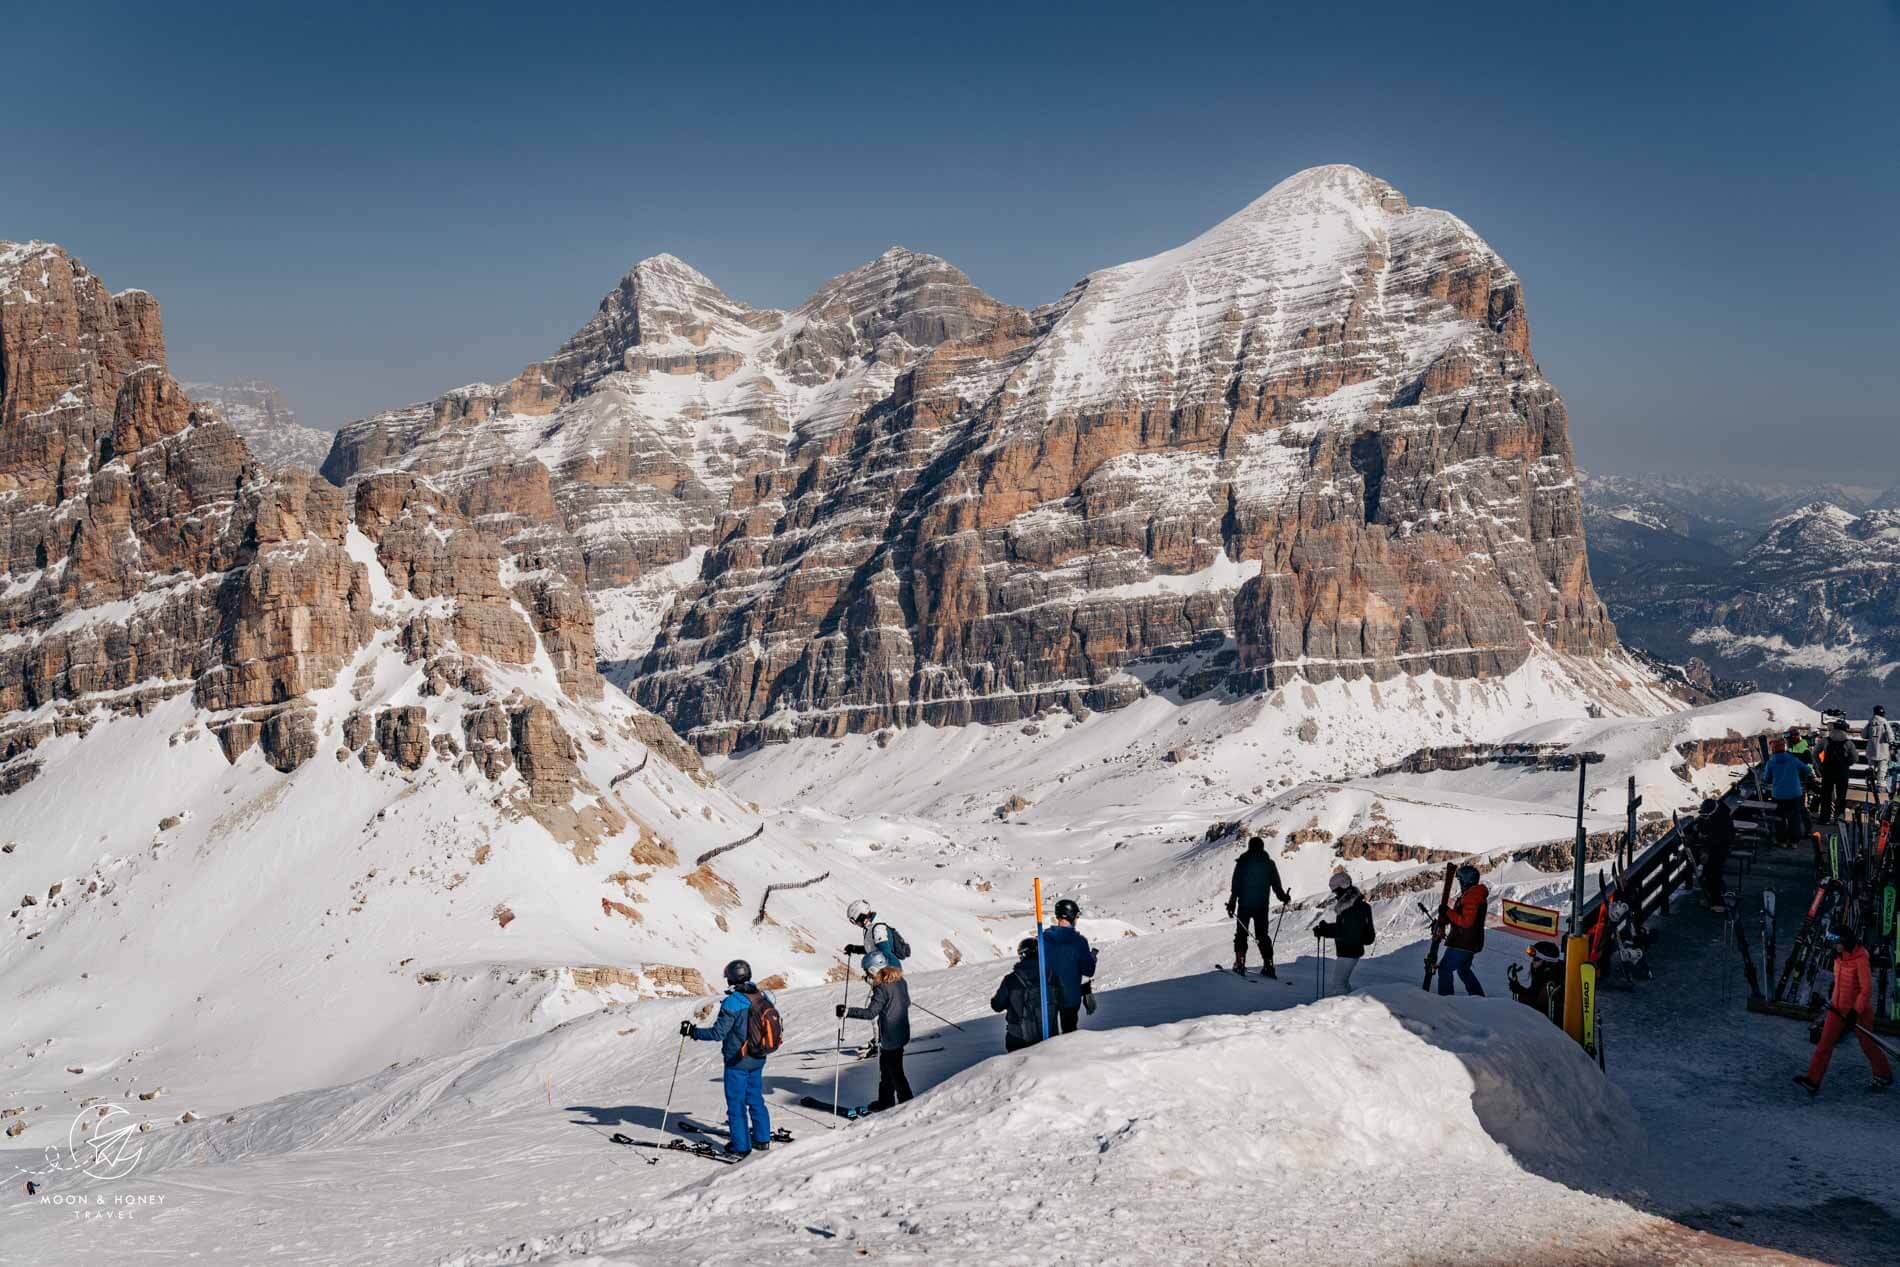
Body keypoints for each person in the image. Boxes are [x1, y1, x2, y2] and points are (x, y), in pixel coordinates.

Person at [683, 959, 778, 1157]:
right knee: (754, 1098)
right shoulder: (761, 996)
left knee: (736, 1103)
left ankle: (741, 1146)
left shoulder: (733, 1001)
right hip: (758, 1056)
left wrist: (693, 1032)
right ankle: (762, 1139)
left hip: (738, 1060)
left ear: (732, 978)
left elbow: (718, 1033)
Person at [1794, 927, 1893, 1095]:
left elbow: (1866, 989)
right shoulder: (1839, 957)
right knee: (1824, 1043)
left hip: (1859, 1011)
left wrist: (1855, 1012)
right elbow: (1839, 984)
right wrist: (1828, 1001)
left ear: (1846, 942)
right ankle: (1813, 1080)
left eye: (1837, 943)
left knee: (1867, 1044)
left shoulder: (1861, 958)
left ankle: (1883, 1074)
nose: (1835, 946)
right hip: (1837, 1008)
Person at [840, 952, 912, 1110]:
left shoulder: (881, 988)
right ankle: (886, 1101)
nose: (866, 974)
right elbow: (906, 1002)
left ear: (873, 970)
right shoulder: (900, 981)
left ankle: (906, 1103)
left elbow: (870, 1013)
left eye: (867, 971)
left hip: (890, 1036)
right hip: (901, 1032)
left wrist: (847, 1012)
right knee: (887, 1069)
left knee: (894, 1072)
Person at [1227, 835, 1292, 976]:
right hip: (1261, 906)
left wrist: (1232, 903)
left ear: (1250, 847)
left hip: (1244, 904)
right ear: (1262, 848)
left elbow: (1236, 885)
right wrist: (1283, 897)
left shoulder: (1242, 862)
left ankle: (1240, 963)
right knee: (1262, 935)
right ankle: (1269, 966)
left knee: (1241, 934)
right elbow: (1276, 885)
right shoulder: (1269, 864)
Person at [1040, 897, 1097, 1034]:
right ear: (1072, 916)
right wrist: (1092, 958)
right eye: (1077, 916)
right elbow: (1088, 971)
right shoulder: (1079, 942)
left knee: (1048, 1038)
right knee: (1069, 1034)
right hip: (1070, 998)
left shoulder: (1043, 938)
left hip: (1046, 997)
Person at [1312, 871, 1375, 994]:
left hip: (1349, 951)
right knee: (1343, 983)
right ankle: (1348, 1006)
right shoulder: (1352, 905)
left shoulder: (1352, 908)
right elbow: (1346, 927)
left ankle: (1343, 1010)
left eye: (1336, 890)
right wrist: (1326, 928)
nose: (1335, 894)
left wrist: (1324, 931)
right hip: (1350, 950)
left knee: (1338, 985)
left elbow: (1346, 931)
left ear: (1343, 887)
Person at [1436, 864, 1488, 996]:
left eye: (1460, 880)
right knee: (1463, 970)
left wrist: (1447, 911)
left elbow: (1466, 921)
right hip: (1469, 942)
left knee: (1444, 969)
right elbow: (1460, 917)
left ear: (1466, 880)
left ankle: (1446, 999)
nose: (1459, 883)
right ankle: (1479, 998)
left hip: (1463, 942)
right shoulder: (1471, 895)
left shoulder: (1472, 896)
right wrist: (1446, 917)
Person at [990, 937, 1044, 1052]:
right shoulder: (1049, 976)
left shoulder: (1011, 980)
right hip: (1047, 1034)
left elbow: (997, 1005)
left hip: (1018, 1038)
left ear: (1023, 955)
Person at [843, 899, 911, 976]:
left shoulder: (878, 929)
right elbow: (875, 951)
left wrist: (896, 977)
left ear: (861, 917)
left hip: (888, 975)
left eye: (854, 921)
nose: (856, 924)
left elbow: (886, 953)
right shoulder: (870, 928)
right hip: (881, 975)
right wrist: (855, 949)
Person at [1763, 738, 1812, 844]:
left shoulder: (1771, 762)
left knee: (1779, 818)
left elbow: (1766, 779)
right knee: (1794, 818)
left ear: (1773, 749)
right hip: (1795, 794)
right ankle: (1794, 841)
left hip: (1778, 795)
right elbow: (1807, 770)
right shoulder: (1793, 759)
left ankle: (1782, 841)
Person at [1507, 940, 1565, 1023]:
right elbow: (1533, 995)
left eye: (1537, 959)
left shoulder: (1554, 983)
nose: (1533, 961)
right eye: (1533, 958)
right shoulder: (1540, 973)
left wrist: (1521, 994)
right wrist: (1519, 989)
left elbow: (1539, 1013)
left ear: (1547, 963)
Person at [1695, 797, 1737, 910]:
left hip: (1721, 848)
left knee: (1713, 871)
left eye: (1706, 815)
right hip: (1711, 848)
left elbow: (1723, 838)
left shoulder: (1723, 819)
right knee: (1708, 873)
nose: (1705, 817)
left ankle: (1717, 902)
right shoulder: (1708, 815)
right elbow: (1701, 827)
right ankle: (1713, 897)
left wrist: (1707, 849)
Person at [1817, 719, 1859, 823]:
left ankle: (1824, 817)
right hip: (1842, 771)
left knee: (1826, 795)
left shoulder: (1826, 740)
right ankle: (1839, 817)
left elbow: (1815, 753)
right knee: (1841, 795)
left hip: (1827, 771)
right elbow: (1855, 758)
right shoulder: (1848, 743)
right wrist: (1846, 764)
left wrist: (1820, 766)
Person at [1865, 705, 1892, 804]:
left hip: (1871, 750)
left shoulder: (1870, 722)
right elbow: (1890, 736)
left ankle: (1869, 784)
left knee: (1871, 768)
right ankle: (1880, 786)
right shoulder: (1884, 722)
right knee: (1882, 769)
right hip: (1883, 750)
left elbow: (1863, 735)